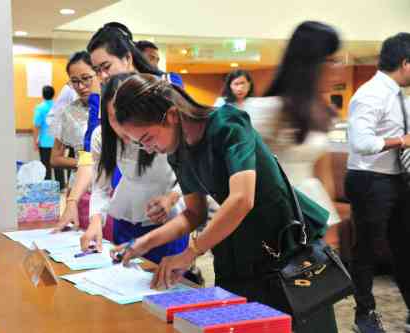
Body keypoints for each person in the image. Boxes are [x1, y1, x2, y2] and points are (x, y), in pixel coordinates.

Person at [109, 72, 338, 332]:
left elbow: (242, 199)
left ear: (172, 115)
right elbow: (193, 213)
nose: (148, 149)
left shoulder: (228, 123)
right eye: (141, 144)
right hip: (236, 247)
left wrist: (190, 252)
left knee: (299, 324)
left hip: (283, 242)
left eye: (148, 138)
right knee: (241, 323)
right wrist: (143, 243)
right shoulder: (178, 151)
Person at [80, 22, 189, 265]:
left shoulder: (166, 99)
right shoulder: (103, 115)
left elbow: (192, 167)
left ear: (128, 58)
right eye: (96, 70)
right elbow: (98, 173)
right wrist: (91, 216)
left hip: (166, 219)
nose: (102, 76)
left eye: (105, 67)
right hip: (126, 210)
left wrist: (172, 197)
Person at [243, 21, 341, 227]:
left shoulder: (320, 111)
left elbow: (323, 173)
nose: (337, 69)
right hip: (274, 213)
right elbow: (242, 172)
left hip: (314, 209)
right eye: (330, 60)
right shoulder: (263, 109)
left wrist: (330, 224)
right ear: (310, 64)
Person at [345, 32, 410, 333]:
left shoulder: (399, 96)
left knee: (404, 246)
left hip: (397, 179)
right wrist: (402, 140)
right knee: (367, 251)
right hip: (369, 179)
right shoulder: (370, 93)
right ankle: (364, 315)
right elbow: (361, 142)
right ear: (406, 63)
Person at [50, 51, 110, 237]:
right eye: (74, 81)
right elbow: (55, 158)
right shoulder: (69, 112)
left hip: (110, 189)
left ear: (99, 73)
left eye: (86, 78)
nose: (81, 86)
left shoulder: (113, 106)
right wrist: (87, 163)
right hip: (81, 190)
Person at [32, 85, 64, 187]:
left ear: (43, 95)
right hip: (57, 141)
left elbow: (37, 126)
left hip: (44, 142)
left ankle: (48, 188)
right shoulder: (59, 107)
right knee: (58, 164)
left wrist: (35, 141)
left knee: (45, 165)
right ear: (53, 94)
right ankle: (61, 186)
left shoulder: (40, 108)